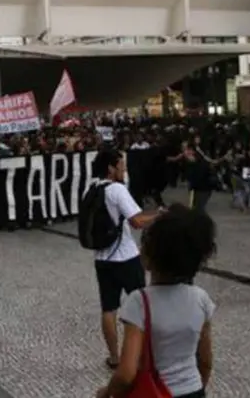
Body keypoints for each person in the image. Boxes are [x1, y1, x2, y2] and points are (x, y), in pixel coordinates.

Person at [95, 204, 215, 398]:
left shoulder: (140, 302)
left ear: (149, 257)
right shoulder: (201, 299)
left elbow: (126, 374)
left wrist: (107, 394)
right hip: (193, 390)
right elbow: (206, 361)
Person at [89, 149, 160, 369]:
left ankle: (114, 357)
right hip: (126, 257)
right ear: (111, 168)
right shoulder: (117, 190)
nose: (124, 170)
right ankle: (148, 354)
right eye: (121, 166)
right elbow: (137, 221)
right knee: (143, 306)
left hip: (102, 258)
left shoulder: (91, 188)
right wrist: (160, 215)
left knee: (108, 309)